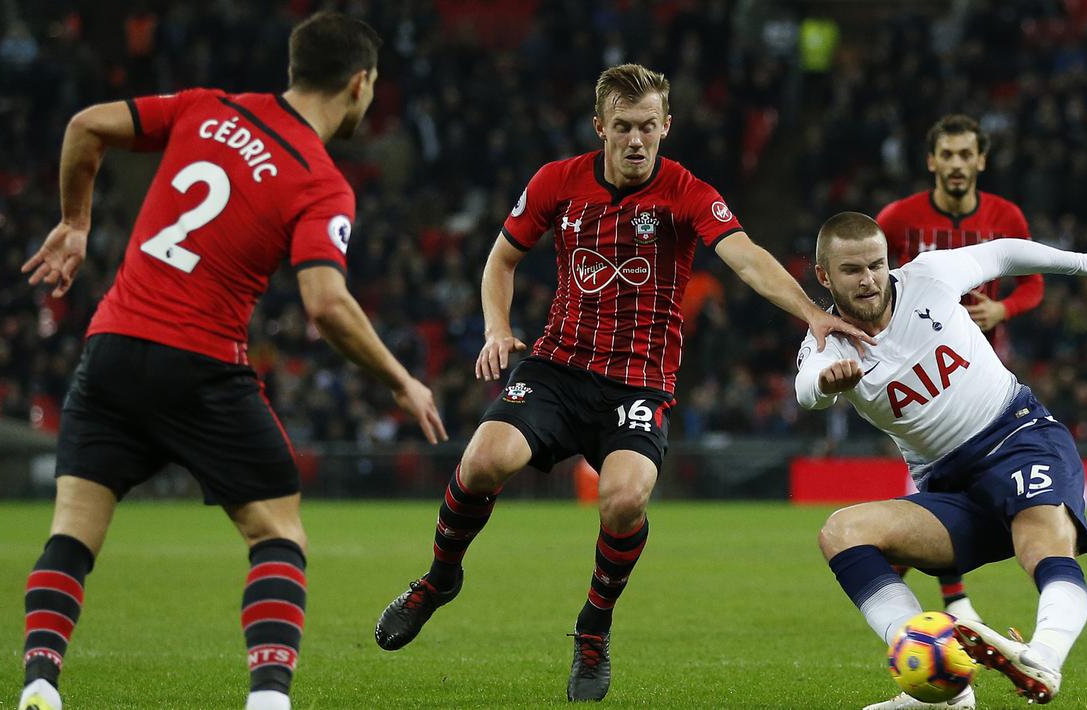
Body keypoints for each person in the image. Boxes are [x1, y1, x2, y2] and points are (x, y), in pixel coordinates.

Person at [373, 63, 870, 702]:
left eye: (648, 127)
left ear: (667, 125)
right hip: (557, 366)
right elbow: (501, 258)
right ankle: (438, 580)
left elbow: (742, 252)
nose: (636, 141)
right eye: (623, 128)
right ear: (599, 127)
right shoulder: (557, 181)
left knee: (625, 499)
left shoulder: (687, 191)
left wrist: (810, 311)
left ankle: (593, 628)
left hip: (638, 383)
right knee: (485, 459)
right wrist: (497, 328)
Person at [16, 13, 446, 710]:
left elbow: (86, 125)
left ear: (294, 66)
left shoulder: (205, 107)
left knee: (72, 531)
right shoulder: (319, 180)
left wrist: (76, 220)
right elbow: (326, 304)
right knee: (277, 531)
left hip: (113, 348)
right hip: (199, 363)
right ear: (360, 84)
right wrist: (399, 379)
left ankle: (39, 681)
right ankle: (268, 699)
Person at [794, 212, 1087, 709]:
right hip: (948, 489)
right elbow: (807, 390)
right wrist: (826, 385)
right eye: (852, 271)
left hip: (1017, 437)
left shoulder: (928, 278)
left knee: (1041, 544)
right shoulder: (827, 343)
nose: (869, 280)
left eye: (876, 264)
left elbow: (1002, 252)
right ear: (824, 276)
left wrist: (1085, 262)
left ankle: (1042, 658)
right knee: (840, 532)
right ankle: (942, 685)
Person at [873, 114, 1044, 634]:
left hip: (983, 372)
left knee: (951, 482)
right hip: (918, 375)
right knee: (934, 477)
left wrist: (1003, 312)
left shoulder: (1005, 216)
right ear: (931, 161)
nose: (955, 164)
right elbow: (869, 278)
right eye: (946, 155)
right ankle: (952, 594)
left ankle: (938, 586)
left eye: (965, 154)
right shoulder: (899, 219)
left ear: (981, 160)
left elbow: (1032, 282)